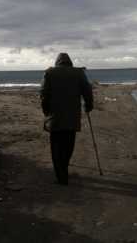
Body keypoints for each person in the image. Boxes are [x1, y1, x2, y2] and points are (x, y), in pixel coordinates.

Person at [40, 53, 93, 185]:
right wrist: (89, 105)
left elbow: (43, 94)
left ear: (57, 62)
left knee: (56, 147)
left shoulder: (50, 73)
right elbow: (87, 90)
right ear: (70, 62)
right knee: (68, 145)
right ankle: (64, 168)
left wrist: (46, 111)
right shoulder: (78, 73)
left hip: (55, 117)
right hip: (72, 117)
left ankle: (61, 175)